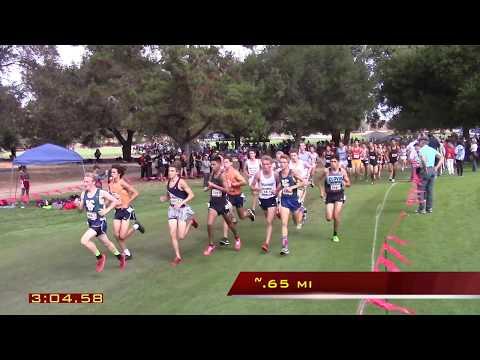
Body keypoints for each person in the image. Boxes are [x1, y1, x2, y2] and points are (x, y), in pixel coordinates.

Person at [75, 173, 126, 273]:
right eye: (84, 181)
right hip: (91, 222)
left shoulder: (101, 193)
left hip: (100, 222)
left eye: (87, 181)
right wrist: (77, 205)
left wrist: (106, 210)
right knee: (106, 243)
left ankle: (100, 257)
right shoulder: (83, 193)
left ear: (93, 182)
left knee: (84, 240)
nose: (85, 183)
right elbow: (80, 210)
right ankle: (120, 257)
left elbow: (116, 201)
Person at [159, 162, 198, 266]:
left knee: (181, 236)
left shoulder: (181, 182)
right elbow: (169, 196)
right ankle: (177, 256)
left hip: (182, 210)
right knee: (172, 234)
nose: (169, 172)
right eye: (169, 170)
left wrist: (181, 202)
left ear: (177, 172)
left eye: (172, 171)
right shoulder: (168, 183)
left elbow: (191, 195)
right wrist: (164, 198)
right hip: (172, 210)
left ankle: (191, 222)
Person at [204, 156, 241, 256]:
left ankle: (237, 238)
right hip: (213, 203)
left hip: (223, 203)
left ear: (219, 164)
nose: (212, 166)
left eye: (214, 164)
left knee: (230, 224)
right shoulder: (212, 174)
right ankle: (211, 245)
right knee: (209, 224)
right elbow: (211, 185)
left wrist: (213, 186)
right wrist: (208, 188)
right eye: (211, 164)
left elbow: (227, 190)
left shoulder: (222, 176)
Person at [108, 165, 145, 260]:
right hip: (117, 211)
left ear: (119, 174)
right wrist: (105, 206)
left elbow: (136, 193)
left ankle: (136, 226)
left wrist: (127, 202)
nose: (111, 174)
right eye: (111, 172)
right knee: (116, 235)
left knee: (122, 236)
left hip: (126, 210)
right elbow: (110, 196)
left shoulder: (122, 183)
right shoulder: (110, 184)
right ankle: (127, 253)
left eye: (114, 172)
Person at [219, 155, 255, 248]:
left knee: (242, 216)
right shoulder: (223, 174)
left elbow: (244, 182)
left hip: (237, 196)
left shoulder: (234, 172)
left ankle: (249, 213)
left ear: (231, 163)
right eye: (224, 162)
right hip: (228, 196)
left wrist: (235, 184)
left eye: (227, 162)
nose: (225, 164)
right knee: (226, 216)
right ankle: (225, 238)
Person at [250, 155, 280, 253]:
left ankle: (266, 243)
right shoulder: (258, 174)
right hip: (263, 200)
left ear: (271, 165)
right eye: (263, 164)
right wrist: (257, 189)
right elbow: (252, 185)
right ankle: (276, 213)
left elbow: (280, 184)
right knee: (268, 218)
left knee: (268, 221)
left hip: (272, 199)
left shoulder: (275, 174)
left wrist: (276, 190)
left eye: (267, 164)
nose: (265, 166)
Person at [318, 156, 351, 242]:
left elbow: (349, 183)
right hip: (329, 196)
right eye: (331, 161)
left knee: (336, 216)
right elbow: (319, 181)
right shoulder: (326, 171)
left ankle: (335, 234)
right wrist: (321, 191)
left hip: (339, 195)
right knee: (329, 218)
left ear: (338, 162)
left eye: (335, 161)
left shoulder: (342, 171)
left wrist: (344, 183)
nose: (333, 163)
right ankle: (333, 217)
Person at [277, 154, 305, 255]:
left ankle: (302, 211)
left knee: (297, 222)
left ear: (288, 163)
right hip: (284, 200)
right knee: (284, 223)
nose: (282, 164)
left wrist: (292, 188)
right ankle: (285, 247)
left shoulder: (293, 172)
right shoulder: (279, 173)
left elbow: (303, 182)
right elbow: (281, 184)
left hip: (294, 200)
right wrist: (276, 191)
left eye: (284, 162)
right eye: (281, 162)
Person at [416, 137, 444, 214]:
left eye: (420, 141)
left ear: (422, 142)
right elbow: (442, 157)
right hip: (432, 169)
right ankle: (429, 208)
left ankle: (422, 208)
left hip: (425, 170)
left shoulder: (421, 150)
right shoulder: (432, 149)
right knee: (430, 190)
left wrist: (425, 168)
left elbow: (423, 160)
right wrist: (436, 167)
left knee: (421, 190)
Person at [243, 150, 262, 215]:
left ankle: (253, 208)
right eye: (250, 153)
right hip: (251, 178)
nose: (251, 155)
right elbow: (244, 169)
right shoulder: (247, 162)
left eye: (252, 153)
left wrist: (260, 174)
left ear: (255, 154)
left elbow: (262, 168)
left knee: (257, 192)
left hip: (259, 178)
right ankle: (260, 200)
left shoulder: (258, 161)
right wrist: (247, 175)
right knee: (254, 193)